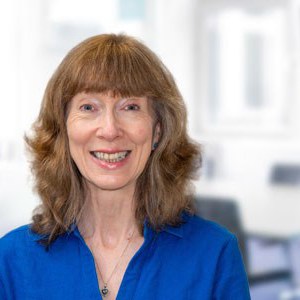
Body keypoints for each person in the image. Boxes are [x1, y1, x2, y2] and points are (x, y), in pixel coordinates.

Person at [0, 33, 250, 299]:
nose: (109, 130)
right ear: (63, 129)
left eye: (130, 107)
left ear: (157, 131)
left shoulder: (214, 254)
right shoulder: (11, 261)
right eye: (88, 107)